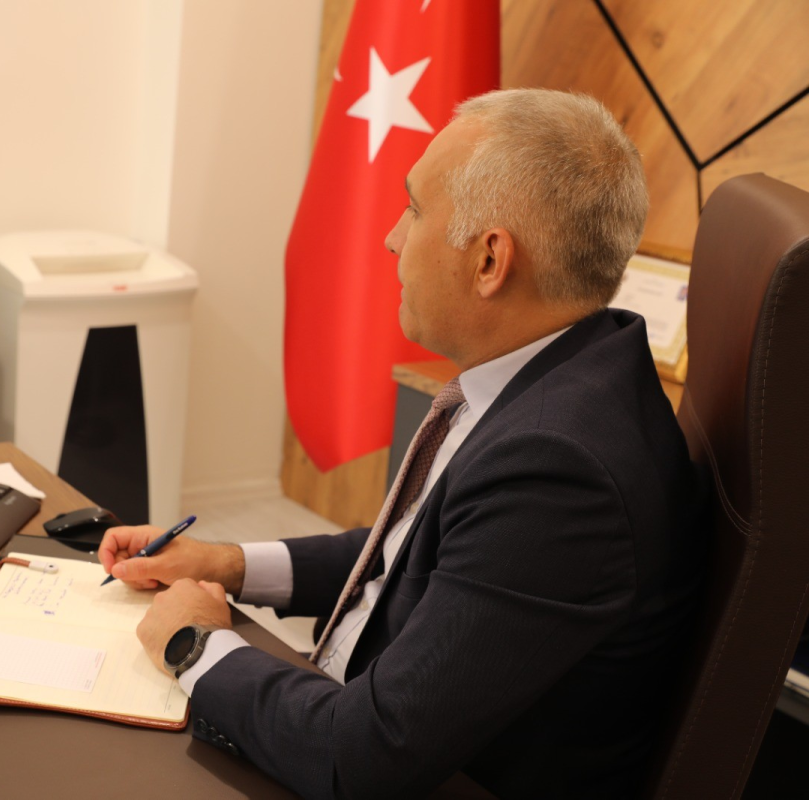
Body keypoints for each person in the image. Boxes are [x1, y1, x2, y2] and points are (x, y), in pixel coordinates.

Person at [97, 89, 706, 799]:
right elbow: (414, 553)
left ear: (489, 260)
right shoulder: (564, 371)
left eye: (414, 210)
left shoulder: (559, 469)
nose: (391, 237)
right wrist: (225, 565)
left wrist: (194, 644)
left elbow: (361, 758)